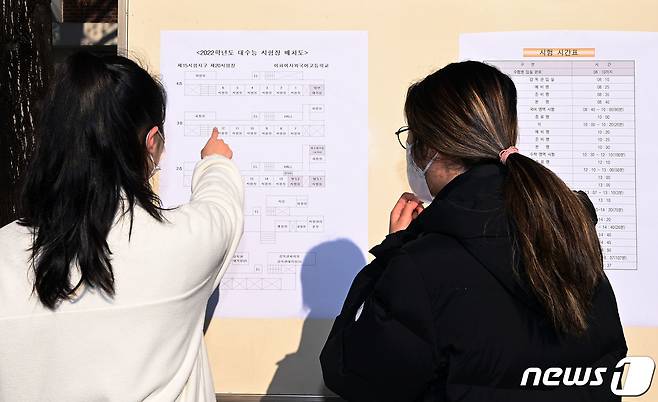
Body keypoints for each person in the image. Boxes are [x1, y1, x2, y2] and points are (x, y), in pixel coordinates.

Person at [320, 61, 627, 401]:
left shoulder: (421, 266)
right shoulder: (568, 235)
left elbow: (353, 374)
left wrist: (391, 253)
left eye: (412, 137)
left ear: (432, 149)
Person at [0, 52, 244, 401]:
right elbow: (223, 207)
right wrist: (215, 162)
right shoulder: (179, 244)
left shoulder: (4, 251)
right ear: (151, 142)